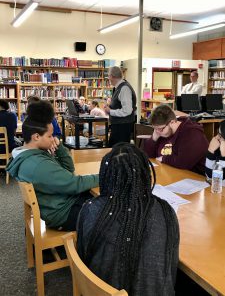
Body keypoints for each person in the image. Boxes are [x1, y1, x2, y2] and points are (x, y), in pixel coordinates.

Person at [77, 143, 179, 296]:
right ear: (145, 175)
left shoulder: (90, 209)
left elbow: (84, 257)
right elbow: (171, 270)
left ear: (106, 175)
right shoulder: (166, 212)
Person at [6, 100, 99, 230]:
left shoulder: (29, 154)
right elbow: (74, 183)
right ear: (36, 136)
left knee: (100, 196)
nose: (53, 139)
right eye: (50, 136)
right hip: (63, 214)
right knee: (111, 206)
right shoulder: (38, 164)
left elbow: (68, 170)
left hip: (59, 205)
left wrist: (59, 147)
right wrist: (104, 175)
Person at [144, 104, 209, 174]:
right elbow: (148, 155)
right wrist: (154, 138)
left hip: (194, 177)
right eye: (154, 128)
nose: (157, 131)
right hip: (169, 172)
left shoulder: (192, 133)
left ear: (172, 122)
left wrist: (163, 158)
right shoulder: (162, 132)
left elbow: (183, 162)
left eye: (160, 129)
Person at [104, 66, 136, 146]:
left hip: (122, 128)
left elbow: (127, 110)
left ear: (112, 76)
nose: (108, 78)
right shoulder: (118, 87)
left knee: (119, 152)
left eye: (108, 76)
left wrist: (110, 111)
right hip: (118, 126)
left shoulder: (124, 88)